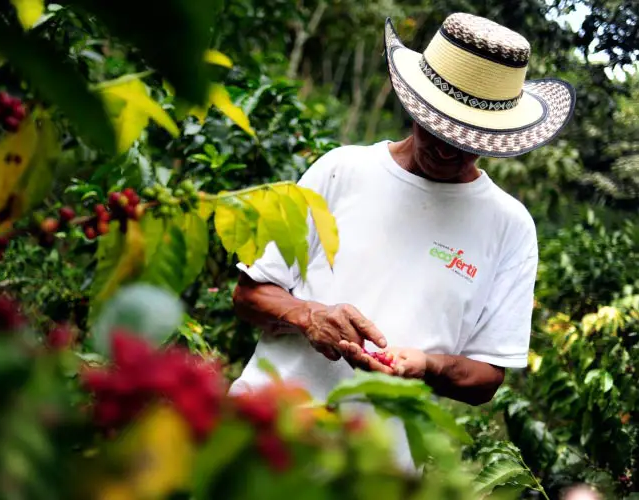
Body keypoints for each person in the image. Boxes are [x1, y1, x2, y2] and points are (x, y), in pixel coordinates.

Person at [228, 12, 576, 473]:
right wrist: (311, 316)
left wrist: (426, 365)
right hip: (262, 440)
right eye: (436, 128)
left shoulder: (509, 226)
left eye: (467, 140)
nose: (447, 149)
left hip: (377, 474)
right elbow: (249, 294)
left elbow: (487, 376)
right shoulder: (342, 171)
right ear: (414, 106)